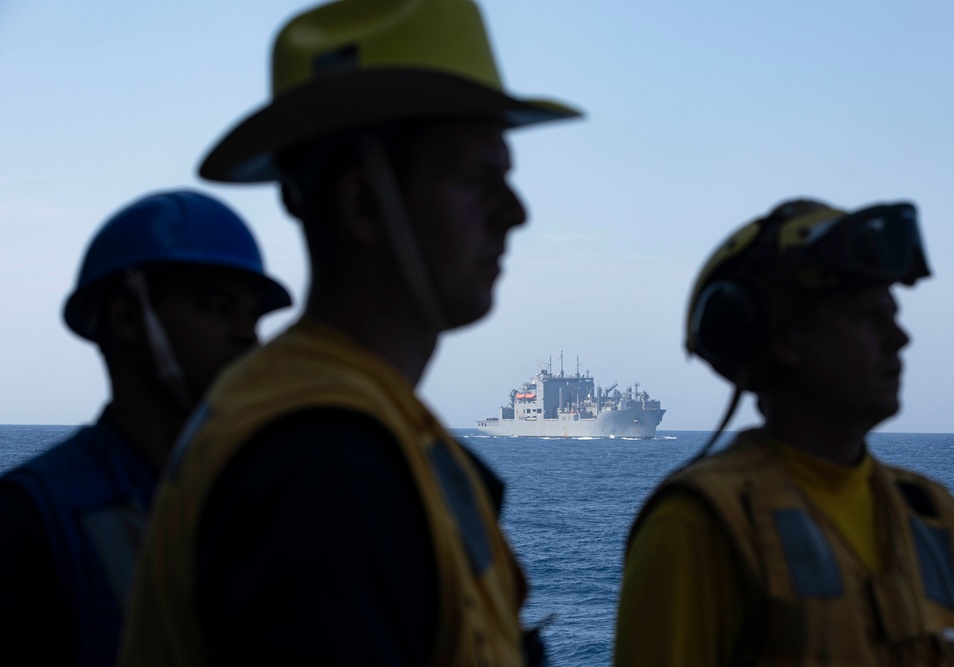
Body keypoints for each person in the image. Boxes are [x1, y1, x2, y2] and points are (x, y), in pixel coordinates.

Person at [117, 0, 581, 665]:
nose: (515, 212)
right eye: (479, 178)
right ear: (365, 204)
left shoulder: (365, 426)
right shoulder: (323, 465)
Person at [614, 199, 954, 666]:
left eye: (893, 316)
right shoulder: (699, 524)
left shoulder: (933, 516)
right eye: (867, 317)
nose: (900, 338)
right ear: (787, 340)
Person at [0, 189, 291, 667]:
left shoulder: (268, 503)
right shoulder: (29, 524)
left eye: (254, 316)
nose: (247, 335)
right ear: (127, 318)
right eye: (217, 307)